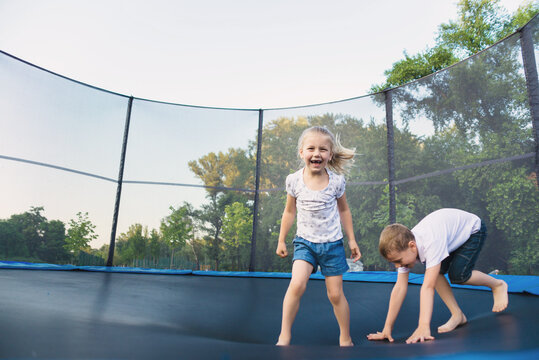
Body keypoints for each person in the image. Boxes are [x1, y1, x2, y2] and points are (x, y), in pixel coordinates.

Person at [367, 208, 509, 344]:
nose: (398, 266)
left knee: (458, 275)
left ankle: (498, 285)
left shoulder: (431, 243)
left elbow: (427, 287)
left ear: (412, 246)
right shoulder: (406, 248)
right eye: (394, 263)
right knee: (437, 274)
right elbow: (399, 288)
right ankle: (457, 315)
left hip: (472, 231)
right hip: (449, 236)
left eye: (398, 261)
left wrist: (423, 325)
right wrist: (387, 328)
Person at [275, 126, 361, 347]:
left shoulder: (336, 181)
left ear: (330, 155)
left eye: (323, 149)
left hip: (332, 245)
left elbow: (344, 210)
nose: (317, 153)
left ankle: (345, 337)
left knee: (335, 295)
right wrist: (281, 239)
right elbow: (289, 211)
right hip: (305, 243)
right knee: (297, 284)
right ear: (301, 152)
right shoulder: (294, 180)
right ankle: (284, 335)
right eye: (311, 148)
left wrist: (351, 240)